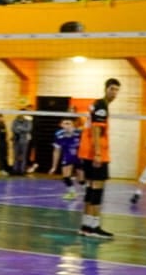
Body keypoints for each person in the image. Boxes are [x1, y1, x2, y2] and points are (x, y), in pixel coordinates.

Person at [78, 79, 121, 239]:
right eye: (112, 89)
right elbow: (96, 129)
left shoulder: (98, 104)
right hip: (96, 152)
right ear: (105, 89)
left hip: (87, 152)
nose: (114, 93)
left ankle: (85, 226)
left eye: (117, 90)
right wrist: (97, 153)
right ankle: (94, 227)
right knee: (97, 188)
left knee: (91, 188)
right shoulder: (101, 105)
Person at [52, 117, 82, 197]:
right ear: (61, 125)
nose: (67, 126)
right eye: (65, 124)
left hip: (79, 156)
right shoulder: (59, 134)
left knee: (81, 179)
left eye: (69, 123)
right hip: (67, 156)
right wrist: (54, 166)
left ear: (73, 125)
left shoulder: (79, 133)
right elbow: (56, 151)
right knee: (66, 176)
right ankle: (72, 193)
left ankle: (86, 190)